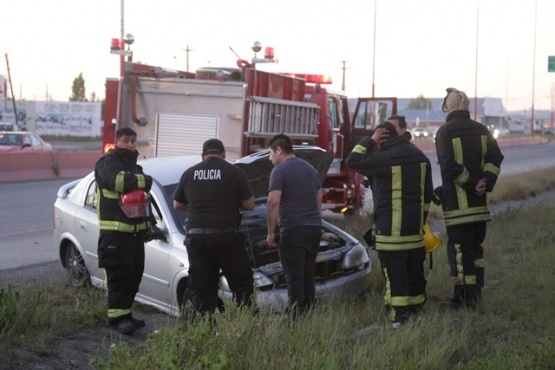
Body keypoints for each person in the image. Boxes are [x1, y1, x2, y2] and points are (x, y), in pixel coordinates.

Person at [346, 121, 433, 328]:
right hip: (414, 230)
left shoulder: (384, 158)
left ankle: (398, 319)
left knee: (395, 274)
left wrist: (370, 141)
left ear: (382, 138)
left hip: (391, 231)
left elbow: (352, 159)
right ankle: (417, 313)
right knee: (414, 272)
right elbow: (427, 196)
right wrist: (421, 222)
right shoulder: (421, 157)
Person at [434, 87, 504, 309]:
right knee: (475, 250)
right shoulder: (482, 130)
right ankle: (476, 293)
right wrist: (486, 181)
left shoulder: (444, 132)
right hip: (479, 207)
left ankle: (464, 299)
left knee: (460, 252)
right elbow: (495, 157)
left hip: (458, 208)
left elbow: (449, 166)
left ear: (448, 107)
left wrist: (472, 184)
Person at [173, 138, 255, 318]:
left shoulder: (189, 173)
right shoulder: (234, 172)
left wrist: (197, 205)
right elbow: (249, 205)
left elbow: (177, 204)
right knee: (242, 284)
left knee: (202, 287)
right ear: (224, 154)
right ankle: (244, 324)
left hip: (197, 239)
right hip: (225, 236)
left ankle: (205, 329)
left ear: (203, 156)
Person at [95, 127, 153, 334]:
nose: (130, 145)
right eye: (126, 140)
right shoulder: (107, 162)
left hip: (135, 234)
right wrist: (141, 181)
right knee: (119, 277)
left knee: (134, 275)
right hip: (115, 235)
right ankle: (116, 318)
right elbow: (118, 182)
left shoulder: (132, 165)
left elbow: (146, 188)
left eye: (133, 141)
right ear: (117, 141)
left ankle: (125, 314)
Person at [266, 134, 323, 317]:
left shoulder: (280, 170)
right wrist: (313, 220)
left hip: (294, 230)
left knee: (294, 278)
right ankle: (308, 315)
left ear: (279, 150)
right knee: (308, 274)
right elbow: (318, 198)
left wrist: (270, 232)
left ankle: (295, 321)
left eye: (270, 153)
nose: (270, 158)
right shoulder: (311, 169)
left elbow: (273, 201)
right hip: (314, 229)